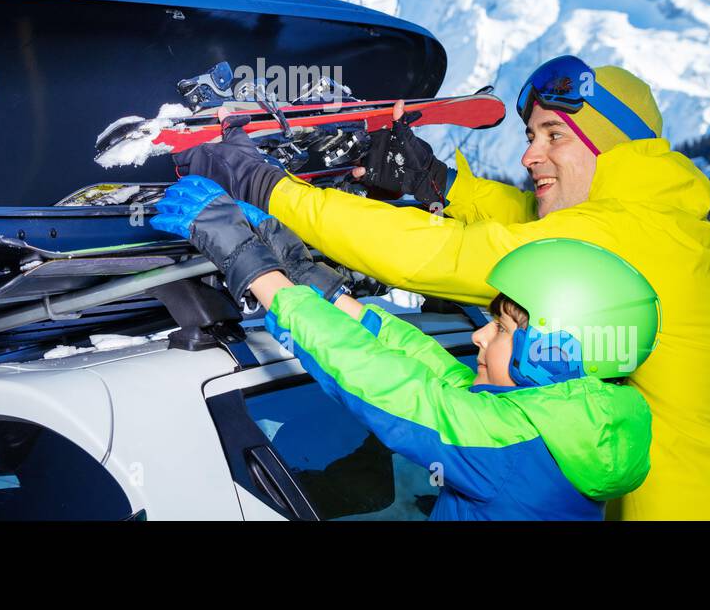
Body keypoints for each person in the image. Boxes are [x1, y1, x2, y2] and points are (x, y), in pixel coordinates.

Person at [176, 54, 710, 520]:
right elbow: (526, 220)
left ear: (608, 146)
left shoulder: (619, 234)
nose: (529, 153)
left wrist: (269, 188)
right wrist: (439, 183)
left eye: (553, 136)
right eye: (531, 135)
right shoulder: (660, 221)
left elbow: (435, 257)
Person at [152, 174, 657, 520]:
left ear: (550, 355)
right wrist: (315, 284)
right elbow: (432, 372)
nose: (480, 335)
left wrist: (250, 264)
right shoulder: (570, 426)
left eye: (501, 329)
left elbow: (378, 381)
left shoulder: (510, 451)